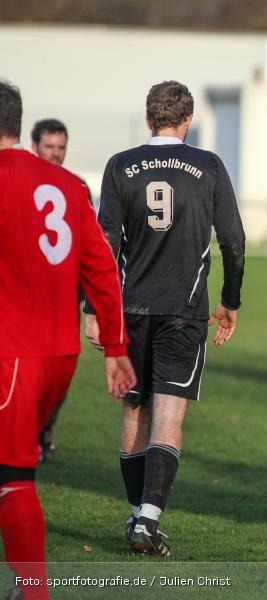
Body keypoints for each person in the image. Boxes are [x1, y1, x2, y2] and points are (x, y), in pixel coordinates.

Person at [84, 80, 246, 557]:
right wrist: (230, 300)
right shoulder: (209, 166)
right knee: (170, 410)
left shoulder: (119, 165)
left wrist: (94, 308)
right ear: (188, 120)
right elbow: (233, 242)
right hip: (185, 309)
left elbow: (104, 244)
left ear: (149, 116)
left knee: (135, 409)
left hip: (129, 310)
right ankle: (148, 519)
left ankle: (138, 514)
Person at [0, 80, 135, 600]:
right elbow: (102, 266)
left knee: (14, 476)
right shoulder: (68, 185)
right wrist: (117, 348)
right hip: (58, 353)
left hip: (14, 350)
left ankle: (33, 592)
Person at [30, 118, 94, 462]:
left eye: (61, 148)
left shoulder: (78, 186)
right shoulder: (19, 181)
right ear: (34, 147)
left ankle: (44, 428)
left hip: (66, 298)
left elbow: (90, 244)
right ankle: (26, 434)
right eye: (49, 147)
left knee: (60, 378)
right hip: (26, 297)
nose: (56, 155)